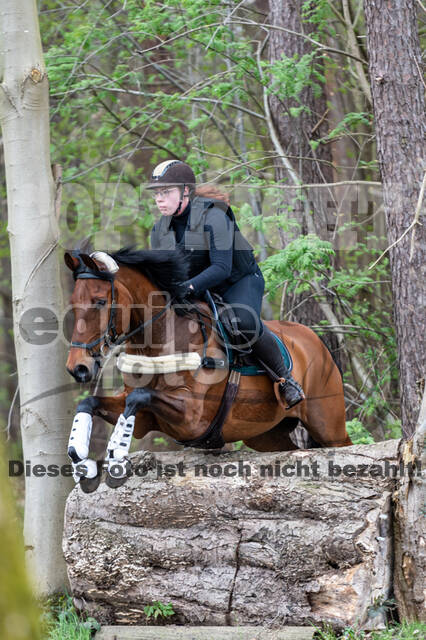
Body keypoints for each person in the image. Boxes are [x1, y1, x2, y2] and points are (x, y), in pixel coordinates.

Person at [148, 159, 304, 408]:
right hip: (201, 285)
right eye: (157, 193)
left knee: (242, 321)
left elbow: (221, 268)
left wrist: (187, 288)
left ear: (186, 190)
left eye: (166, 192)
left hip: (237, 280)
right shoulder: (159, 231)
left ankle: (286, 380)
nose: (159, 199)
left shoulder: (214, 216)